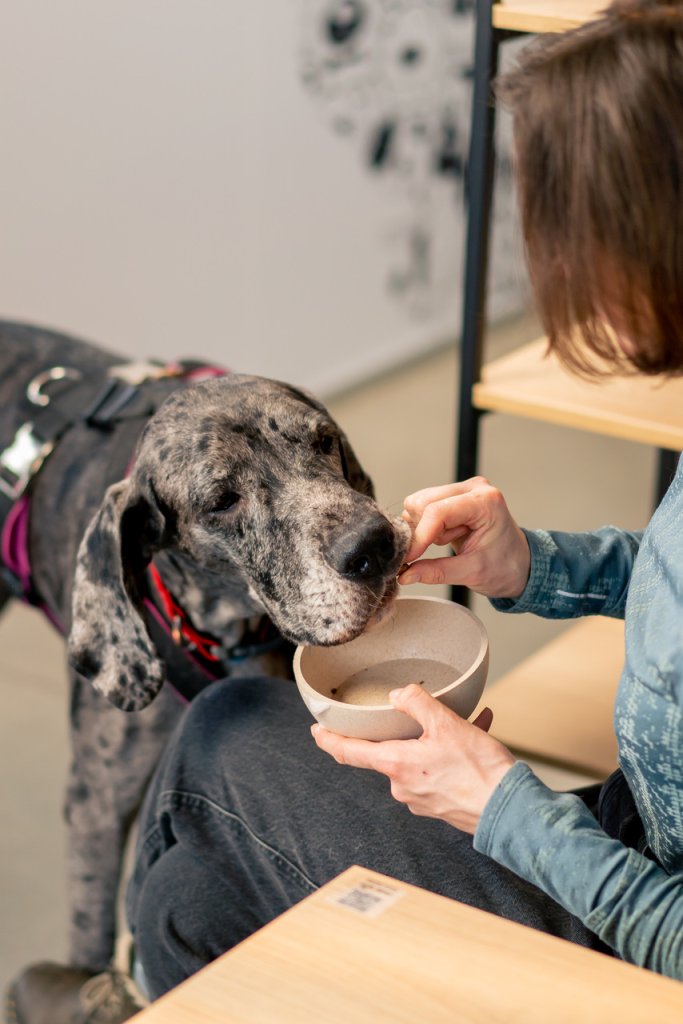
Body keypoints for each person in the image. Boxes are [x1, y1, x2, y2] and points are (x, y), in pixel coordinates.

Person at [124, 0, 683, 1000]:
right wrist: (534, 565)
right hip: (629, 829)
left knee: (222, 733)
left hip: (629, 935)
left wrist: (502, 806)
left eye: (566, 233)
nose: (553, 271)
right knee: (192, 898)